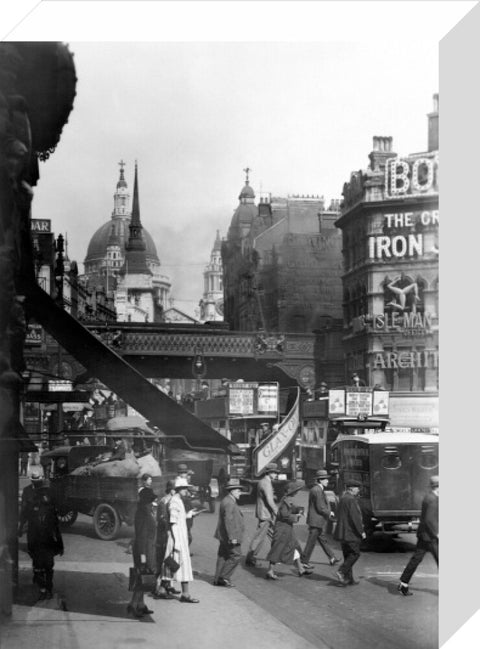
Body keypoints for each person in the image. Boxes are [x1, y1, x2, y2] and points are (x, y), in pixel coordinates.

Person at [18, 470, 64, 600]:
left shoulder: (49, 497)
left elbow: (56, 524)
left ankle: (47, 588)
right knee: (37, 562)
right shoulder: (28, 494)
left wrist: (60, 544)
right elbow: (24, 512)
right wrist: (21, 527)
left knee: (48, 565)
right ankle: (42, 585)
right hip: (35, 536)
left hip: (47, 537)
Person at [398, 475, 439, 596]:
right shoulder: (432, 499)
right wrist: (438, 533)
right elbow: (429, 519)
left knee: (416, 558)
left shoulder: (432, 497)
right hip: (431, 536)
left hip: (424, 535)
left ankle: (403, 583)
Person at [160, 477, 199, 603]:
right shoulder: (175, 502)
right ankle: (184, 594)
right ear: (179, 489)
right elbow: (172, 522)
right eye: (184, 489)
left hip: (179, 537)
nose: (186, 491)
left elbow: (179, 518)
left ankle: (163, 589)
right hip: (177, 538)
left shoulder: (178, 501)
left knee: (174, 565)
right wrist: (176, 542)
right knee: (177, 564)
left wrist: (189, 514)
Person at [265, 480, 308, 580]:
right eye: (296, 490)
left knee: (294, 546)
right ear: (292, 491)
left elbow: (292, 508)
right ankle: (270, 571)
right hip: (282, 529)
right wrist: (296, 515)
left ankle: (301, 568)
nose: (297, 492)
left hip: (287, 529)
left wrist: (299, 510)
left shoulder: (288, 499)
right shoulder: (286, 500)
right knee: (277, 549)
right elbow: (284, 515)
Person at [128, 484, 157, 617]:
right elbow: (141, 536)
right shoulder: (142, 514)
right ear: (146, 501)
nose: (153, 502)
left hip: (146, 549)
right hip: (143, 551)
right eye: (151, 500)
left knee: (145, 577)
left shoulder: (145, 511)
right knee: (141, 577)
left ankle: (141, 604)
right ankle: (133, 605)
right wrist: (143, 557)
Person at [301, 469, 339, 570]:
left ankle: (332, 557)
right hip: (316, 520)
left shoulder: (317, 489)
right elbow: (320, 507)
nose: (327, 481)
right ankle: (303, 562)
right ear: (320, 480)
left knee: (322, 540)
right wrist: (329, 512)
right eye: (325, 479)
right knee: (311, 542)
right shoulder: (317, 490)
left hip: (317, 520)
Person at [245, 463, 279, 567]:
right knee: (259, 537)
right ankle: (250, 557)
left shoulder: (264, 481)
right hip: (265, 514)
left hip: (264, 513)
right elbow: (269, 500)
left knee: (271, 535)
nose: (276, 475)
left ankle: (276, 556)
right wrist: (277, 512)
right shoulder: (266, 483)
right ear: (269, 473)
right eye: (275, 473)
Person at [213, 479, 245, 587]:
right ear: (232, 491)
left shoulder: (226, 500)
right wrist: (232, 537)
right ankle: (224, 577)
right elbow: (228, 520)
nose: (240, 492)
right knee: (236, 555)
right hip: (229, 535)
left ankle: (217, 579)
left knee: (223, 555)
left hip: (223, 535)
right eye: (238, 490)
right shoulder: (230, 503)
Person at [333, 479, 366, 586]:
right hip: (350, 532)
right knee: (355, 554)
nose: (358, 490)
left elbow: (338, 513)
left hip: (342, 532)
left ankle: (347, 579)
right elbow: (355, 518)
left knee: (347, 555)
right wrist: (361, 531)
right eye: (357, 488)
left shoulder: (343, 498)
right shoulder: (351, 500)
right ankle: (342, 571)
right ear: (352, 489)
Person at [152, 480, 180, 599]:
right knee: (162, 561)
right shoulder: (164, 501)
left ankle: (166, 585)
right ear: (172, 490)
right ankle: (156, 588)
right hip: (164, 535)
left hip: (167, 534)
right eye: (176, 490)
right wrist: (170, 531)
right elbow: (163, 520)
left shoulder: (168, 500)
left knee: (167, 561)